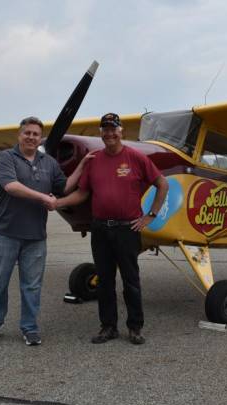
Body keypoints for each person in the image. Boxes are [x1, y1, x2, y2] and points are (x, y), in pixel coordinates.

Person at [55, 113, 168, 345]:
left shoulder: (135, 158)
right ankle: (108, 327)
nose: (109, 133)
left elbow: (162, 184)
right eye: (105, 129)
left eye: (113, 129)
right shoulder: (95, 160)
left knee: (131, 281)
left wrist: (150, 216)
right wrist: (58, 202)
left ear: (121, 131)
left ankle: (135, 327)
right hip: (100, 230)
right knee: (105, 281)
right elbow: (82, 193)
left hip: (127, 229)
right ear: (101, 133)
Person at [0, 116, 91, 346]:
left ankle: (29, 327)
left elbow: (64, 187)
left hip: (35, 237)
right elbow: (11, 187)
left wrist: (82, 165)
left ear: (41, 138)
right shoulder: (6, 158)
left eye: (35, 134)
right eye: (27, 133)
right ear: (19, 135)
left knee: (32, 285)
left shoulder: (49, 162)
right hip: (5, 234)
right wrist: (43, 197)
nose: (31, 137)